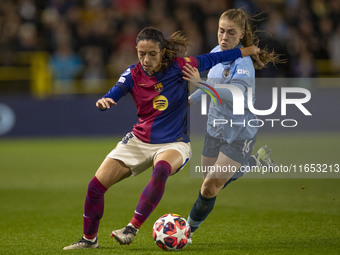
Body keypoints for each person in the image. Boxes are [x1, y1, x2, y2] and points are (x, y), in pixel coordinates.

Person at [63, 26, 262, 250]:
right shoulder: (132, 74)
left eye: (152, 54)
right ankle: (89, 240)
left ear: (162, 52)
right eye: (141, 54)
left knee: (161, 170)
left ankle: (132, 228)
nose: (146, 60)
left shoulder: (179, 67)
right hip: (139, 140)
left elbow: (215, 57)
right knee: (95, 186)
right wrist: (105, 100)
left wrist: (247, 50)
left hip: (174, 143)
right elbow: (116, 90)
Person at [181, 9, 281, 239]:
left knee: (209, 188)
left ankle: (186, 233)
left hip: (239, 132)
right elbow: (209, 83)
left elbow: (233, 94)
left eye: (231, 33)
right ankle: (256, 160)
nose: (224, 37)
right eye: (221, 31)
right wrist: (190, 100)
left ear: (241, 35)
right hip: (215, 129)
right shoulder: (217, 52)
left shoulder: (243, 63)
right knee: (208, 182)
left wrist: (200, 85)